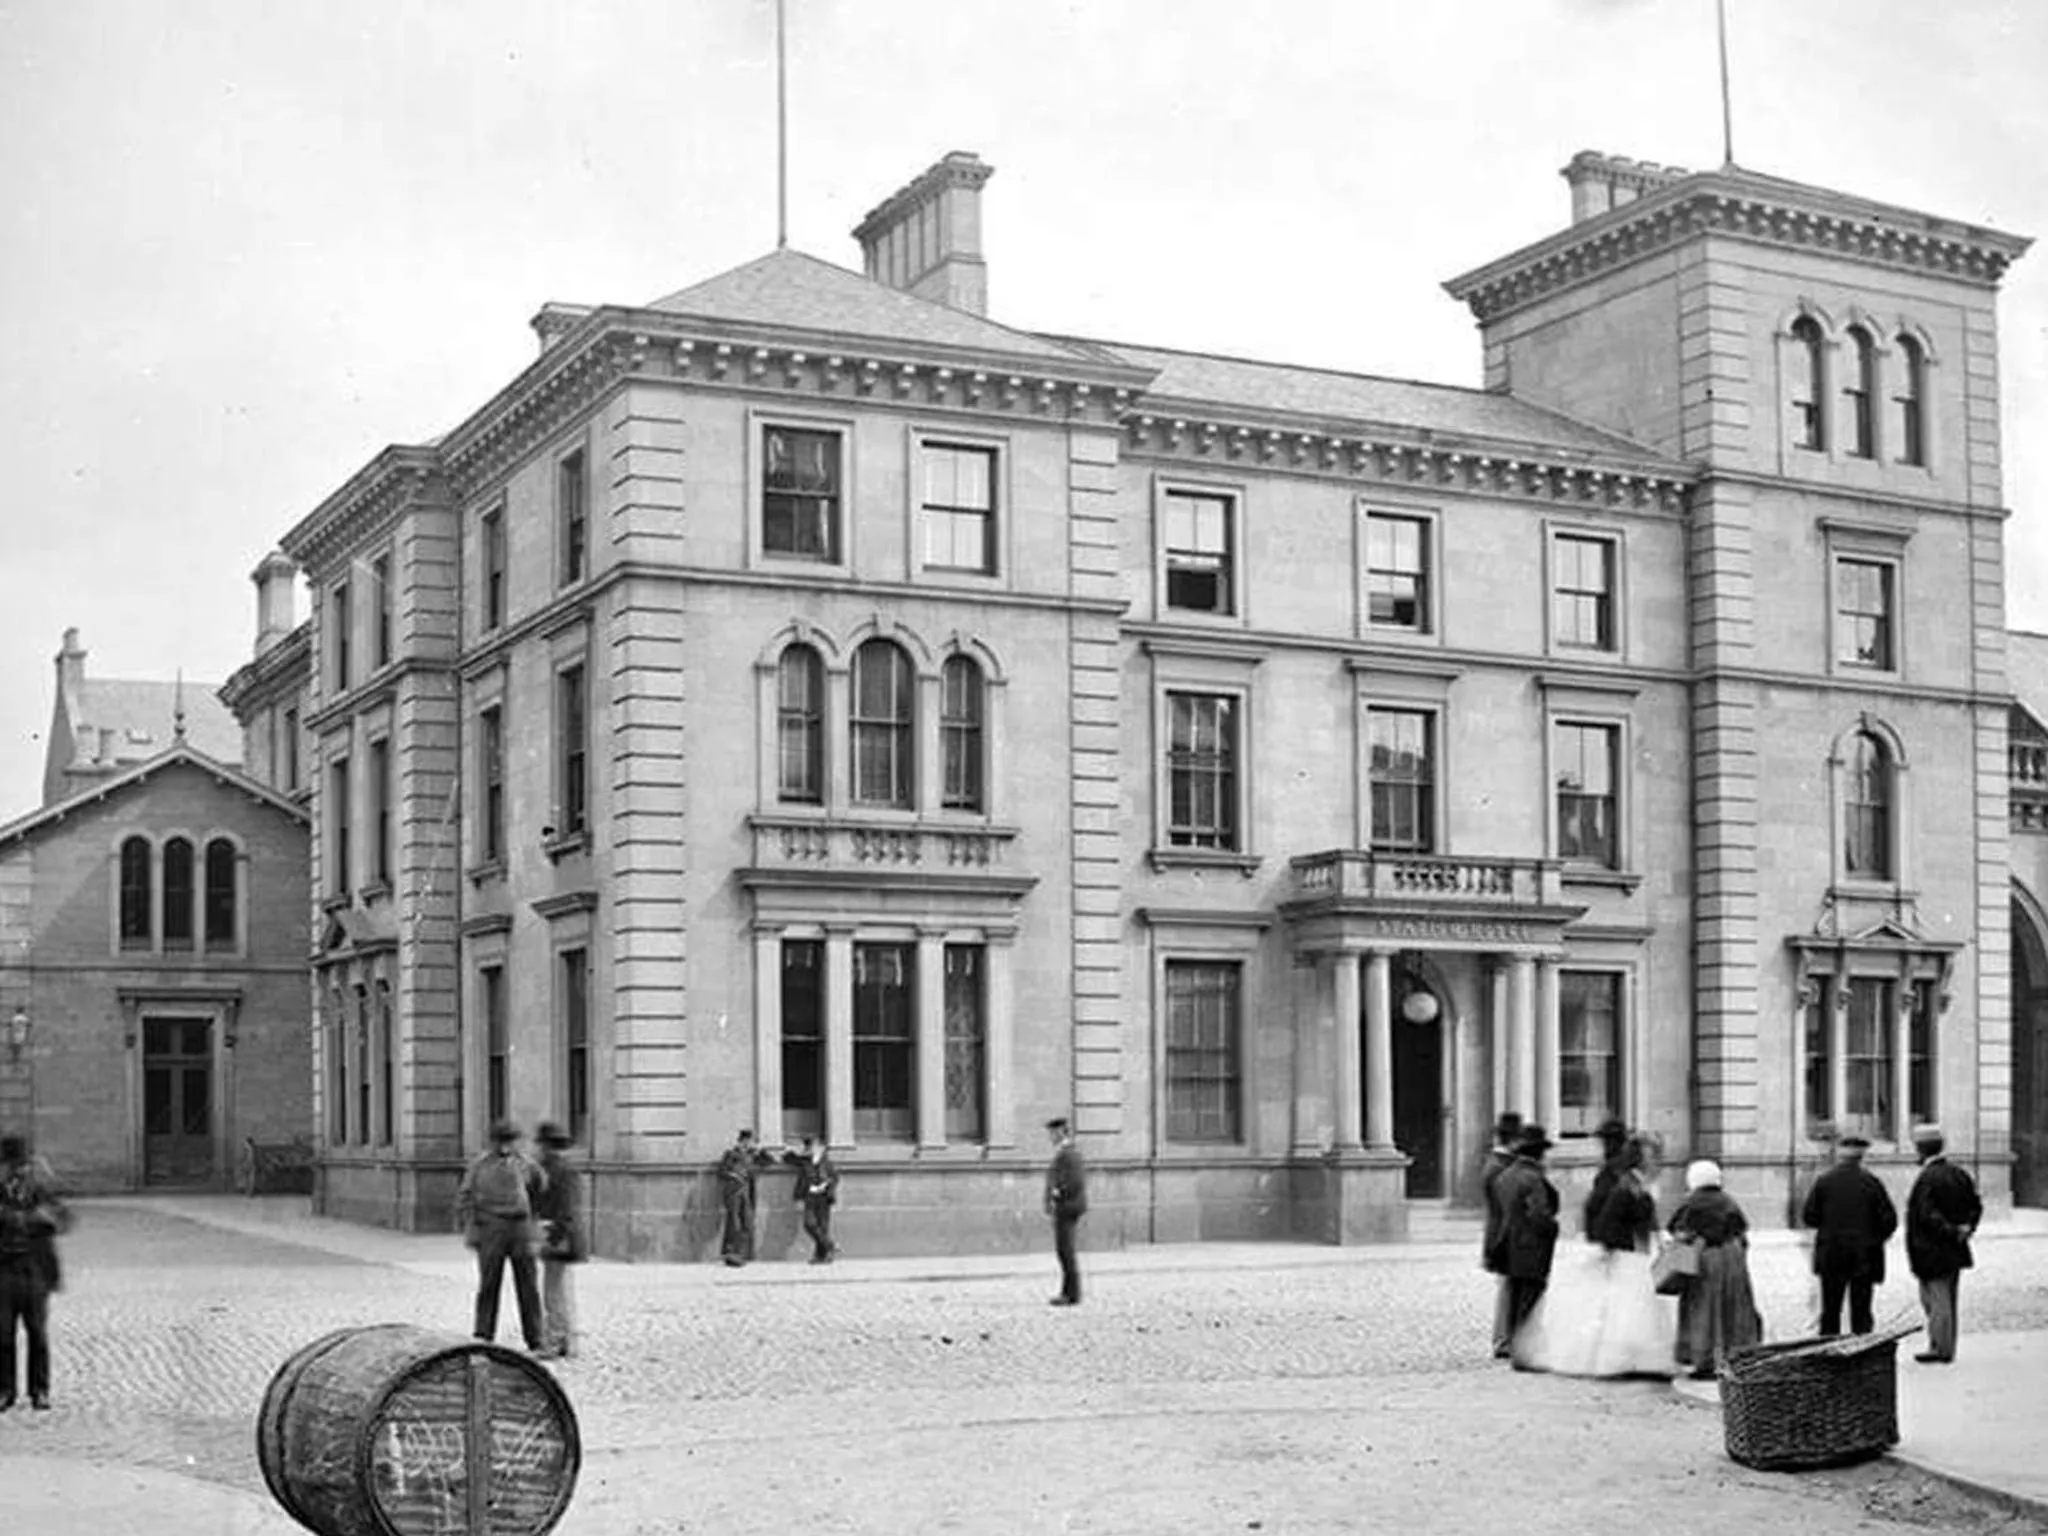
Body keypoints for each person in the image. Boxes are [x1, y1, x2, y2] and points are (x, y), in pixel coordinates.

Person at [1514, 1132, 1675, 1379]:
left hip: (1637, 1252)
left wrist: (1659, 1235)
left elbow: (1645, 1217)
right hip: (1626, 1253)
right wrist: (1610, 1246)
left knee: (1635, 1309)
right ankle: (1621, 1359)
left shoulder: (1638, 1184)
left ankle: (1635, 1358)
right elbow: (1609, 1220)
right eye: (1652, 1157)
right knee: (1625, 1309)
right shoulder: (1626, 1186)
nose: (1656, 1163)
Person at [1667, 1158, 1763, 1379]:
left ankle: (1706, 1358)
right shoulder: (1728, 1200)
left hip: (1706, 1259)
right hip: (1733, 1258)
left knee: (1704, 1308)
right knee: (1735, 1309)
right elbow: (1741, 1231)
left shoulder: (1691, 1203)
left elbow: (1679, 1232)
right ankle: (1736, 1355)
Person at [455, 1119, 546, 1352]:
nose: (505, 1146)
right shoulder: (479, 1165)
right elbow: (465, 1197)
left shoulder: (526, 1164)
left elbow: (540, 1189)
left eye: (510, 1141)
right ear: (493, 1142)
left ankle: (535, 1336)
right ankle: (483, 1334)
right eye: (501, 1141)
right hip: (491, 1228)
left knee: (528, 1284)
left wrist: (532, 1219)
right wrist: (472, 1227)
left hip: (520, 1228)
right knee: (489, 1284)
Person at [1801, 1132, 1898, 1336]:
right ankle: (1861, 1350)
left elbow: (1809, 1217)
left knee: (1830, 1310)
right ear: (1862, 1156)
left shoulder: (1824, 1182)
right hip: (1864, 1256)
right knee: (1861, 1312)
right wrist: (1876, 1239)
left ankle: (1829, 1350)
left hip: (1832, 1255)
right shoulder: (1872, 1183)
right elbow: (1889, 1221)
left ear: (1840, 1154)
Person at [1905, 1124, 1982, 1364]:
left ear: (1920, 1149)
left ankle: (1941, 1348)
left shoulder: (1927, 1178)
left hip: (1932, 1250)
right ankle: (1945, 1344)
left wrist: (1951, 1231)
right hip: (1955, 1248)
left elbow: (1927, 1215)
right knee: (1948, 1299)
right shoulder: (1959, 1174)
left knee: (1937, 1302)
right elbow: (1976, 1205)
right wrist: (1966, 1228)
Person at [0, 1135, 66, 1411]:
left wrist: (37, 1217)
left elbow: (62, 1218)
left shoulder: (41, 1187)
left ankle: (39, 1390)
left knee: (37, 1332)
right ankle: (5, 1390)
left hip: (35, 1267)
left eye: (22, 1164)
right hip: (4, 1267)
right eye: (12, 1165)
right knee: (3, 1333)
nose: (18, 1170)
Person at [1490, 1124, 1560, 1349]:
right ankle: (1525, 1345)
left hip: (1509, 1242)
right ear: (1539, 1153)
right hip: (1531, 1245)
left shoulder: (1505, 1176)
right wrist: (1553, 1228)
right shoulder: (1532, 1178)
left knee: (1514, 1296)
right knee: (1530, 1297)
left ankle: (1511, 1341)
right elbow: (1539, 1214)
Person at [532, 1122, 585, 1359]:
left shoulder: (559, 1169)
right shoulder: (561, 1167)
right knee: (561, 1289)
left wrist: (553, 1234)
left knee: (554, 1292)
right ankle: (567, 1340)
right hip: (560, 1233)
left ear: (547, 1145)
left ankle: (556, 1340)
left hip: (559, 1235)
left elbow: (565, 1208)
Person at [1479, 1112, 1523, 1359]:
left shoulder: (1499, 1164)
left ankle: (1506, 1337)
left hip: (1503, 1231)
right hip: (1504, 1233)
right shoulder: (1499, 1167)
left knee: (1510, 1286)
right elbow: (1505, 1207)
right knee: (1508, 1288)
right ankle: (1503, 1339)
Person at [1044, 1117, 1087, 1306]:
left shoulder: (1069, 1154)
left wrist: (1058, 1192)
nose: (1051, 1137)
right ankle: (1068, 1292)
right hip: (1065, 1206)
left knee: (1066, 1250)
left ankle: (1072, 1293)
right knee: (1064, 1251)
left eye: (1053, 1133)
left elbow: (1076, 1181)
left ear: (1061, 1132)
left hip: (1068, 1207)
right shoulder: (1064, 1153)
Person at [717, 1128, 773, 1267]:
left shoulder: (752, 1155)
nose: (748, 1144)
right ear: (741, 1141)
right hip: (733, 1191)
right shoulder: (731, 1154)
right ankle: (730, 1252)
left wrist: (760, 1150)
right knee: (733, 1223)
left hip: (747, 1192)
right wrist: (734, 1175)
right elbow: (722, 1171)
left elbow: (769, 1161)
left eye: (750, 1141)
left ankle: (740, 1253)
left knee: (747, 1223)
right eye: (746, 1141)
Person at [782, 1135, 840, 1264]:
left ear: (821, 1148)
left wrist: (827, 1185)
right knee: (809, 1224)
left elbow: (835, 1178)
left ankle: (821, 1256)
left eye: (812, 1146)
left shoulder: (826, 1162)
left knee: (822, 1227)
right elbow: (786, 1158)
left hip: (823, 1197)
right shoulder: (805, 1161)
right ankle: (830, 1245)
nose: (810, 1149)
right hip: (809, 1196)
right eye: (808, 1146)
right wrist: (796, 1150)